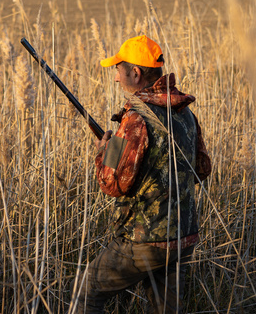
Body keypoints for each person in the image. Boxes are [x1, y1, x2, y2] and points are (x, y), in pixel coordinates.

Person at [73, 35, 211, 313]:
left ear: (135, 73)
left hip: (145, 241)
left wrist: (104, 153)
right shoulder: (184, 113)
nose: (115, 78)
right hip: (183, 236)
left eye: (118, 70)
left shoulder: (136, 118)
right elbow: (202, 169)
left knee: (87, 291)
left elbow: (112, 183)